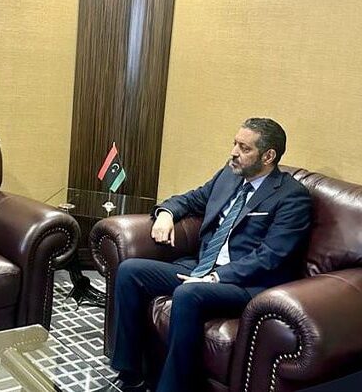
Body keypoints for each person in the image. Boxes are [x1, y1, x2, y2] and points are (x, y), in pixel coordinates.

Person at [111, 118, 313, 392]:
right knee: (130, 271)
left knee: (188, 293)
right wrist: (166, 214)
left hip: (245, 283)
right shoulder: (229, 175)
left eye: (244, 148)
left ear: (268, 156)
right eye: (235, 144)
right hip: (202, 267)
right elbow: (191, 199)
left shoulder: (291, 197)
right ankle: (130, 374)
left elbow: (271, 256)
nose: (234, 152)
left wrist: (216, 277)